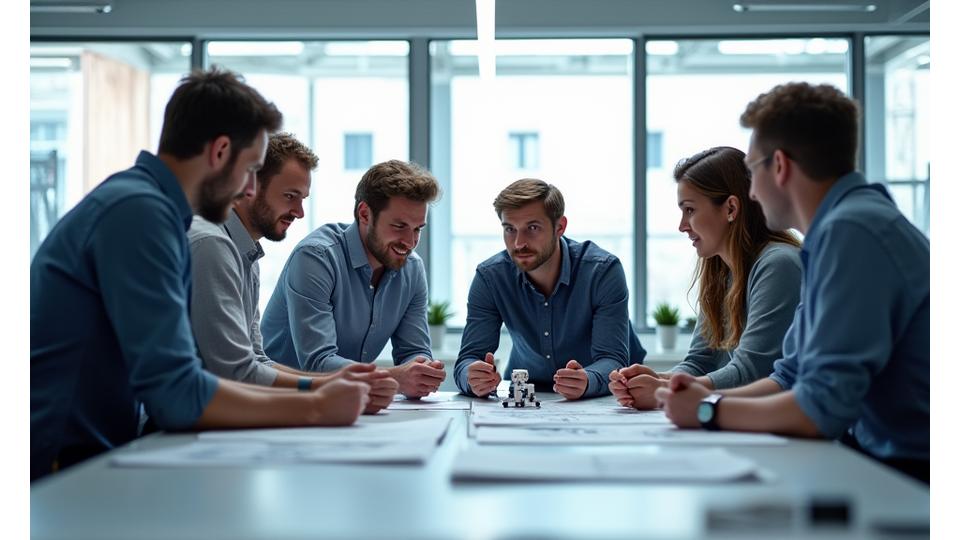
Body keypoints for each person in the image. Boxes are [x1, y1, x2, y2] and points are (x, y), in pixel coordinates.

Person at [31, 69, 370, 481]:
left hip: (93, 452)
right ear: (220, 151)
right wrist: (316, 405)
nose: (249, 188)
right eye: (250, 169)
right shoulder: (141, 214)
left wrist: (317, 391)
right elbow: (177, 392)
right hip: (61, 463)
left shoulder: (148, 207)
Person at [654, 82, 930, 483]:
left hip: (908, 471)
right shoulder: (838, 230)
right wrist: (702, 400)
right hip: (876, 457)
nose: (749, 191)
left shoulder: (852, 232)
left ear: (779, 166)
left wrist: (707, 410)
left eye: (750, 171)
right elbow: (791, 375)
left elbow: (822, 407)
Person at [189, 132, 398, 414]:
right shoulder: (212, 245)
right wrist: (319, 392)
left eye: (303, 199)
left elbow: (257, 360)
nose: (299, 212)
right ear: (249, 184)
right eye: (290, 196)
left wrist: (333, 382)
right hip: (184, 423)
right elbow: (235, 372)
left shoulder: (245, 252)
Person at [609, 146, 802, 409]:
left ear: (731, 208)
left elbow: (753, 372)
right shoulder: (721, 271)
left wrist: (665, 390)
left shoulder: (779, 264)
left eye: (689, 210)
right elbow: (701, 361)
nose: (682, 225)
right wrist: (656, 379)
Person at [261, 160, 446, 398]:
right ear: (365, 214)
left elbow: (414, 350)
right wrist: (396, 378)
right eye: (399, 226)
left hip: (344, 401)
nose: (410, 242)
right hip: (281, 401)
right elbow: (317, 362)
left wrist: (422, 371)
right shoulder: (316, 258)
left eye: (418, 229)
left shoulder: (412, 269)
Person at [455, 179, 646, 401]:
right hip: (527, 395)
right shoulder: (490, 277)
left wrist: (588, 380)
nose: (519, 243)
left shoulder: (602, 271)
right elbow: (467, 359)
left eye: (532, 228)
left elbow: (613, 359)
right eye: (510, 229)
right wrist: (472, 377)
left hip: (603, 396)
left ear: (560, 227)